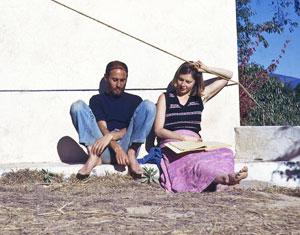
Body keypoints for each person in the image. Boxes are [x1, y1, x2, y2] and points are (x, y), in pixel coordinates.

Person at [154, 60, 248, 192]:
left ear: (195, 83)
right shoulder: (165, 98)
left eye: (188, 82)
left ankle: (225, 180)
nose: (183, 84)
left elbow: (228, 75)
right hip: (173, 144)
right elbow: (158, 130)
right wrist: (183, 138)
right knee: (195, 162)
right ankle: (224, 179)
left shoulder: (200, 97)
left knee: (225, 153)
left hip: (195, 144)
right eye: (181, 80)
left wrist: (206, 68)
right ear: (176, 78)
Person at [70, 60, 156, 179]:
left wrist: (111, 136)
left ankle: (132, 156)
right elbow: (102, 127)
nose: (119, 84)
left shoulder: (135, 100)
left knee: (149, 106)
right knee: (77, 106)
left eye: (122, 80)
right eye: (114, 80)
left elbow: (134, 128)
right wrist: (115, 147)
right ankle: (93, 156)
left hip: (127, 149)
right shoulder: (97, 100)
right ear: (106, 78)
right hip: (101, 149)